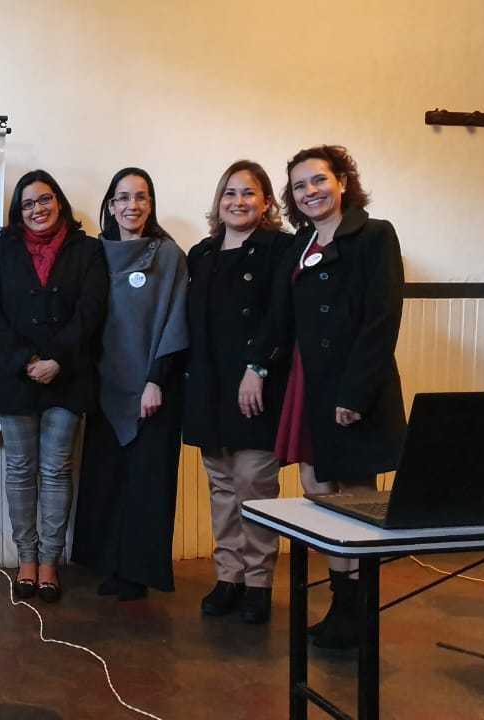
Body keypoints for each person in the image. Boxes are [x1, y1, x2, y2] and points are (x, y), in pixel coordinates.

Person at [250, 145, 407, 648]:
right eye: (299, 186)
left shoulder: (375, 235)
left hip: (353, 386)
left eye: (318, 180)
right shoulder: (300, 243)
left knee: (355, 498)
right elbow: (281, 317)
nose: (310, 191)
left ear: (341, 181)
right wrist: (255, 366)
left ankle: (356, 611)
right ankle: (341, 603)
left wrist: (355, 393)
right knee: (318, 489)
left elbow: (381, 320)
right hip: (308, 384)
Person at [0, 170, 108, 603]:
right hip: (17, 377)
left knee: (55, 469)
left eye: (45, 199)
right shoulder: (1, 250)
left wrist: (57, 360)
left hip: (68, 376)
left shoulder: (88, 250)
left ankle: (50, 562)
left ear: (60, 202)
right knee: (19, 469)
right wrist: (26, 360)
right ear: (18, 212)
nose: (38, 209)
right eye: (28, 204)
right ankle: (26, 560)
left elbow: (91, 311)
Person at [182, 160, 294, 624]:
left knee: (254, 484)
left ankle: (258, 583)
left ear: (266, 202)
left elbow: (282, 317)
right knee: (223, 487)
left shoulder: (280, 249)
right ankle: (228, 576)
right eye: (230, 192)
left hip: (257, 386)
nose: (238, 201)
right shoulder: (202, 253)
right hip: (210, 388)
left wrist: (258, 367)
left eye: (249, 193)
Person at [71, 167, 188, 602]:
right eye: (122, 197)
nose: (131, 205)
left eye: (140, 197)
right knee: (107, 481)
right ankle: (105, 563)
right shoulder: (94, 254)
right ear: (110, 204)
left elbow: (176, 320)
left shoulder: (169, 255)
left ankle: (136, 574)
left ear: (150, 204)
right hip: (105, 389)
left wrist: (156, 380)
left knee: (145, 486)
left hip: (152, 391)